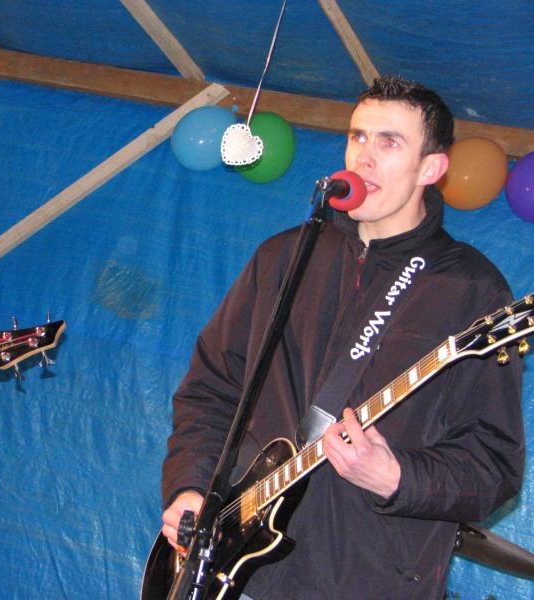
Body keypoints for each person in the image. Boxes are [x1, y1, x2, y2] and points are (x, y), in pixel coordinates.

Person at [159, 74, 525, 599]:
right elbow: (210, 389)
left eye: (389, 142)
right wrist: (190, 487)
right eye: (358, 136)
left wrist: (397, 477)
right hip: (241, 576)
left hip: (366, 580)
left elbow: (493, 466)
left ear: (431, 168)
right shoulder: (285, 256)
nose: (364, 157)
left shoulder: (472, 289)